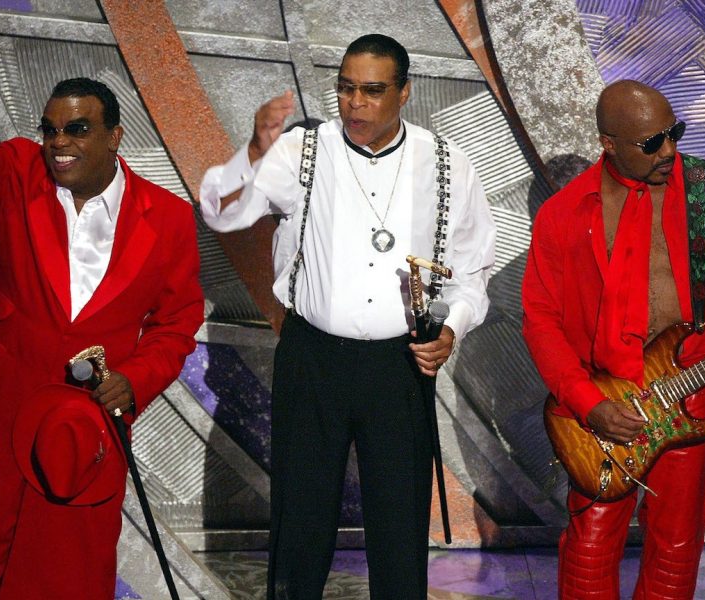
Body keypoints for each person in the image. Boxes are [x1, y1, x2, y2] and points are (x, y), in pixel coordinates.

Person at [0, 18, 204, 599]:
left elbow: (176, 324)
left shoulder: (166, 217)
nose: (58, 142)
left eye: (77, 129)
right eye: (50, 129)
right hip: (2, 402)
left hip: (86, 419)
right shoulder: (18, 172)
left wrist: (134, 382)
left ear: (114, 136)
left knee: (65, 561)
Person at [200, 33, 495, 600]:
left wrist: (451, 328)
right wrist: (254, 152)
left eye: (372, 90)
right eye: (345, 88)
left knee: (400, 522)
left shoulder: (447, 164)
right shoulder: (303, 151)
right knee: (301, 519)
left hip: (400, 364)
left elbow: (474, 270)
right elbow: (223, 210)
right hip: (313, 359)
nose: (354, 102)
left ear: (404, 93)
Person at [522, 80, 705, 599]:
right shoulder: (564, 213)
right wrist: (589, 406)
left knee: (676, 551)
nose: (669, 151)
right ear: (608, 143)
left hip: (691, 392)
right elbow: (541, 321)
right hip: (603, 404)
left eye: (673, 134)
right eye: (651, 142)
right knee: (590, 550)